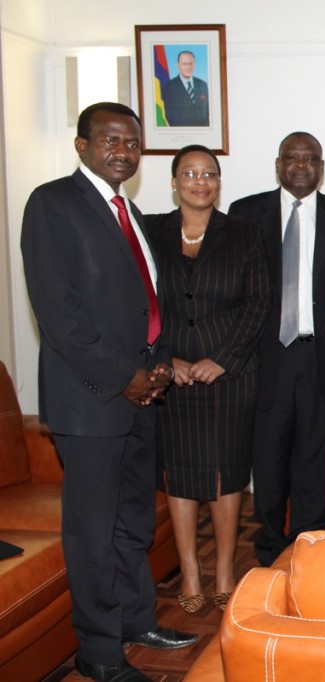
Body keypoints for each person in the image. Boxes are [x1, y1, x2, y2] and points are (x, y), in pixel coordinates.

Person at [20, 102, 197, 682]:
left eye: (132, 142)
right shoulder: (52, 204)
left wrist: (161, 360)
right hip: (92, 399)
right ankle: (98, 653)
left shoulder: (134, 214)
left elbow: (148, 301)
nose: (122, 150)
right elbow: (60, 314)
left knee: (133, 523)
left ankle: (135, 620)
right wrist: (125, 375)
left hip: (141, 393)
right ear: (82, 146)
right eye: (110, 140)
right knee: (93, 533)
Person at [228, 132, 325, 566]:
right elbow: (235, 291)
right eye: (292, 157)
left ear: (321, 167)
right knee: (266, 460)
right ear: (278, 164)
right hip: (265, 356)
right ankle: (269, 547)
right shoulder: (245, 213)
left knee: (313, 459)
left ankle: (308, 549)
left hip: (321, 354)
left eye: (310, 159)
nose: (301, 165)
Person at [146, 145, 270, 612]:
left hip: (229, 376)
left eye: (210, 174)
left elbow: (258, 303)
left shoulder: (243, 232)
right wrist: (167, 359)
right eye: (190, 173)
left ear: (219, 182)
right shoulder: (150, 229)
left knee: (226, 474)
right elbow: (138, 300)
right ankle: (190, 573)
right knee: (178, 474)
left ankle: (222, 569)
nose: (201, 181)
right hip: (170, 376)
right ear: (174, 182)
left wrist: (223, 358)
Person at [163, 50, 210, 127]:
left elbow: (207, 113)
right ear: (178, 65)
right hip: (181, 135)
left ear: (194, 64)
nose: (188, 67)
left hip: (202, 134)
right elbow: (169, 117)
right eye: (184, 64)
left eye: (190, 63)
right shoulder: (169, 87)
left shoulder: (203, 84)